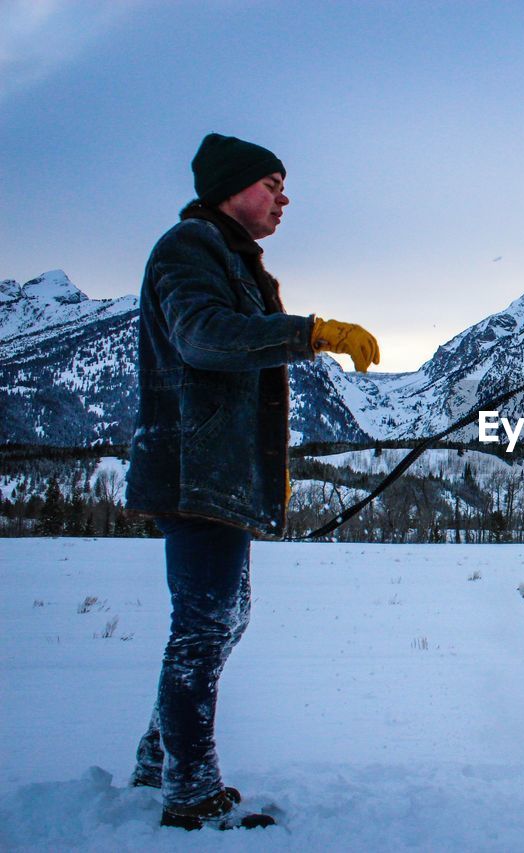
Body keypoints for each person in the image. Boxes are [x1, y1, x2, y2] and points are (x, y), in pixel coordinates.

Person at [124, 132, 379, 830]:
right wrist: (311, 332)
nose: (284, 196)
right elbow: (204, 336)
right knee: (203, 628)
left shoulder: (229, 257)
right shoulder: (189, 248)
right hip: (193, 470)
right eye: (272, 182)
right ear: (231, 188)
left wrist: (269, 469)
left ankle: (159, 756)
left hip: (220, 472)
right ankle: (191, 791)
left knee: (223, 621)